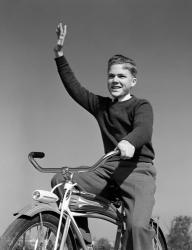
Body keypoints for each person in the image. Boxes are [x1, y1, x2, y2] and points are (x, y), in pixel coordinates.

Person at [51, 22, 156, 250]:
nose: (115, 80)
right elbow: (75, 89)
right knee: (62, 181)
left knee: (137, 226)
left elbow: (143, 129)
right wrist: (59, 55)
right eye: (111, 76)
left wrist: (129, 141)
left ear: (132, 81)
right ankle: (82, 242)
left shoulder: (141, 105)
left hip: (138, 169)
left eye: (121, 76)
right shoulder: (102, 106)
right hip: (108, 170)